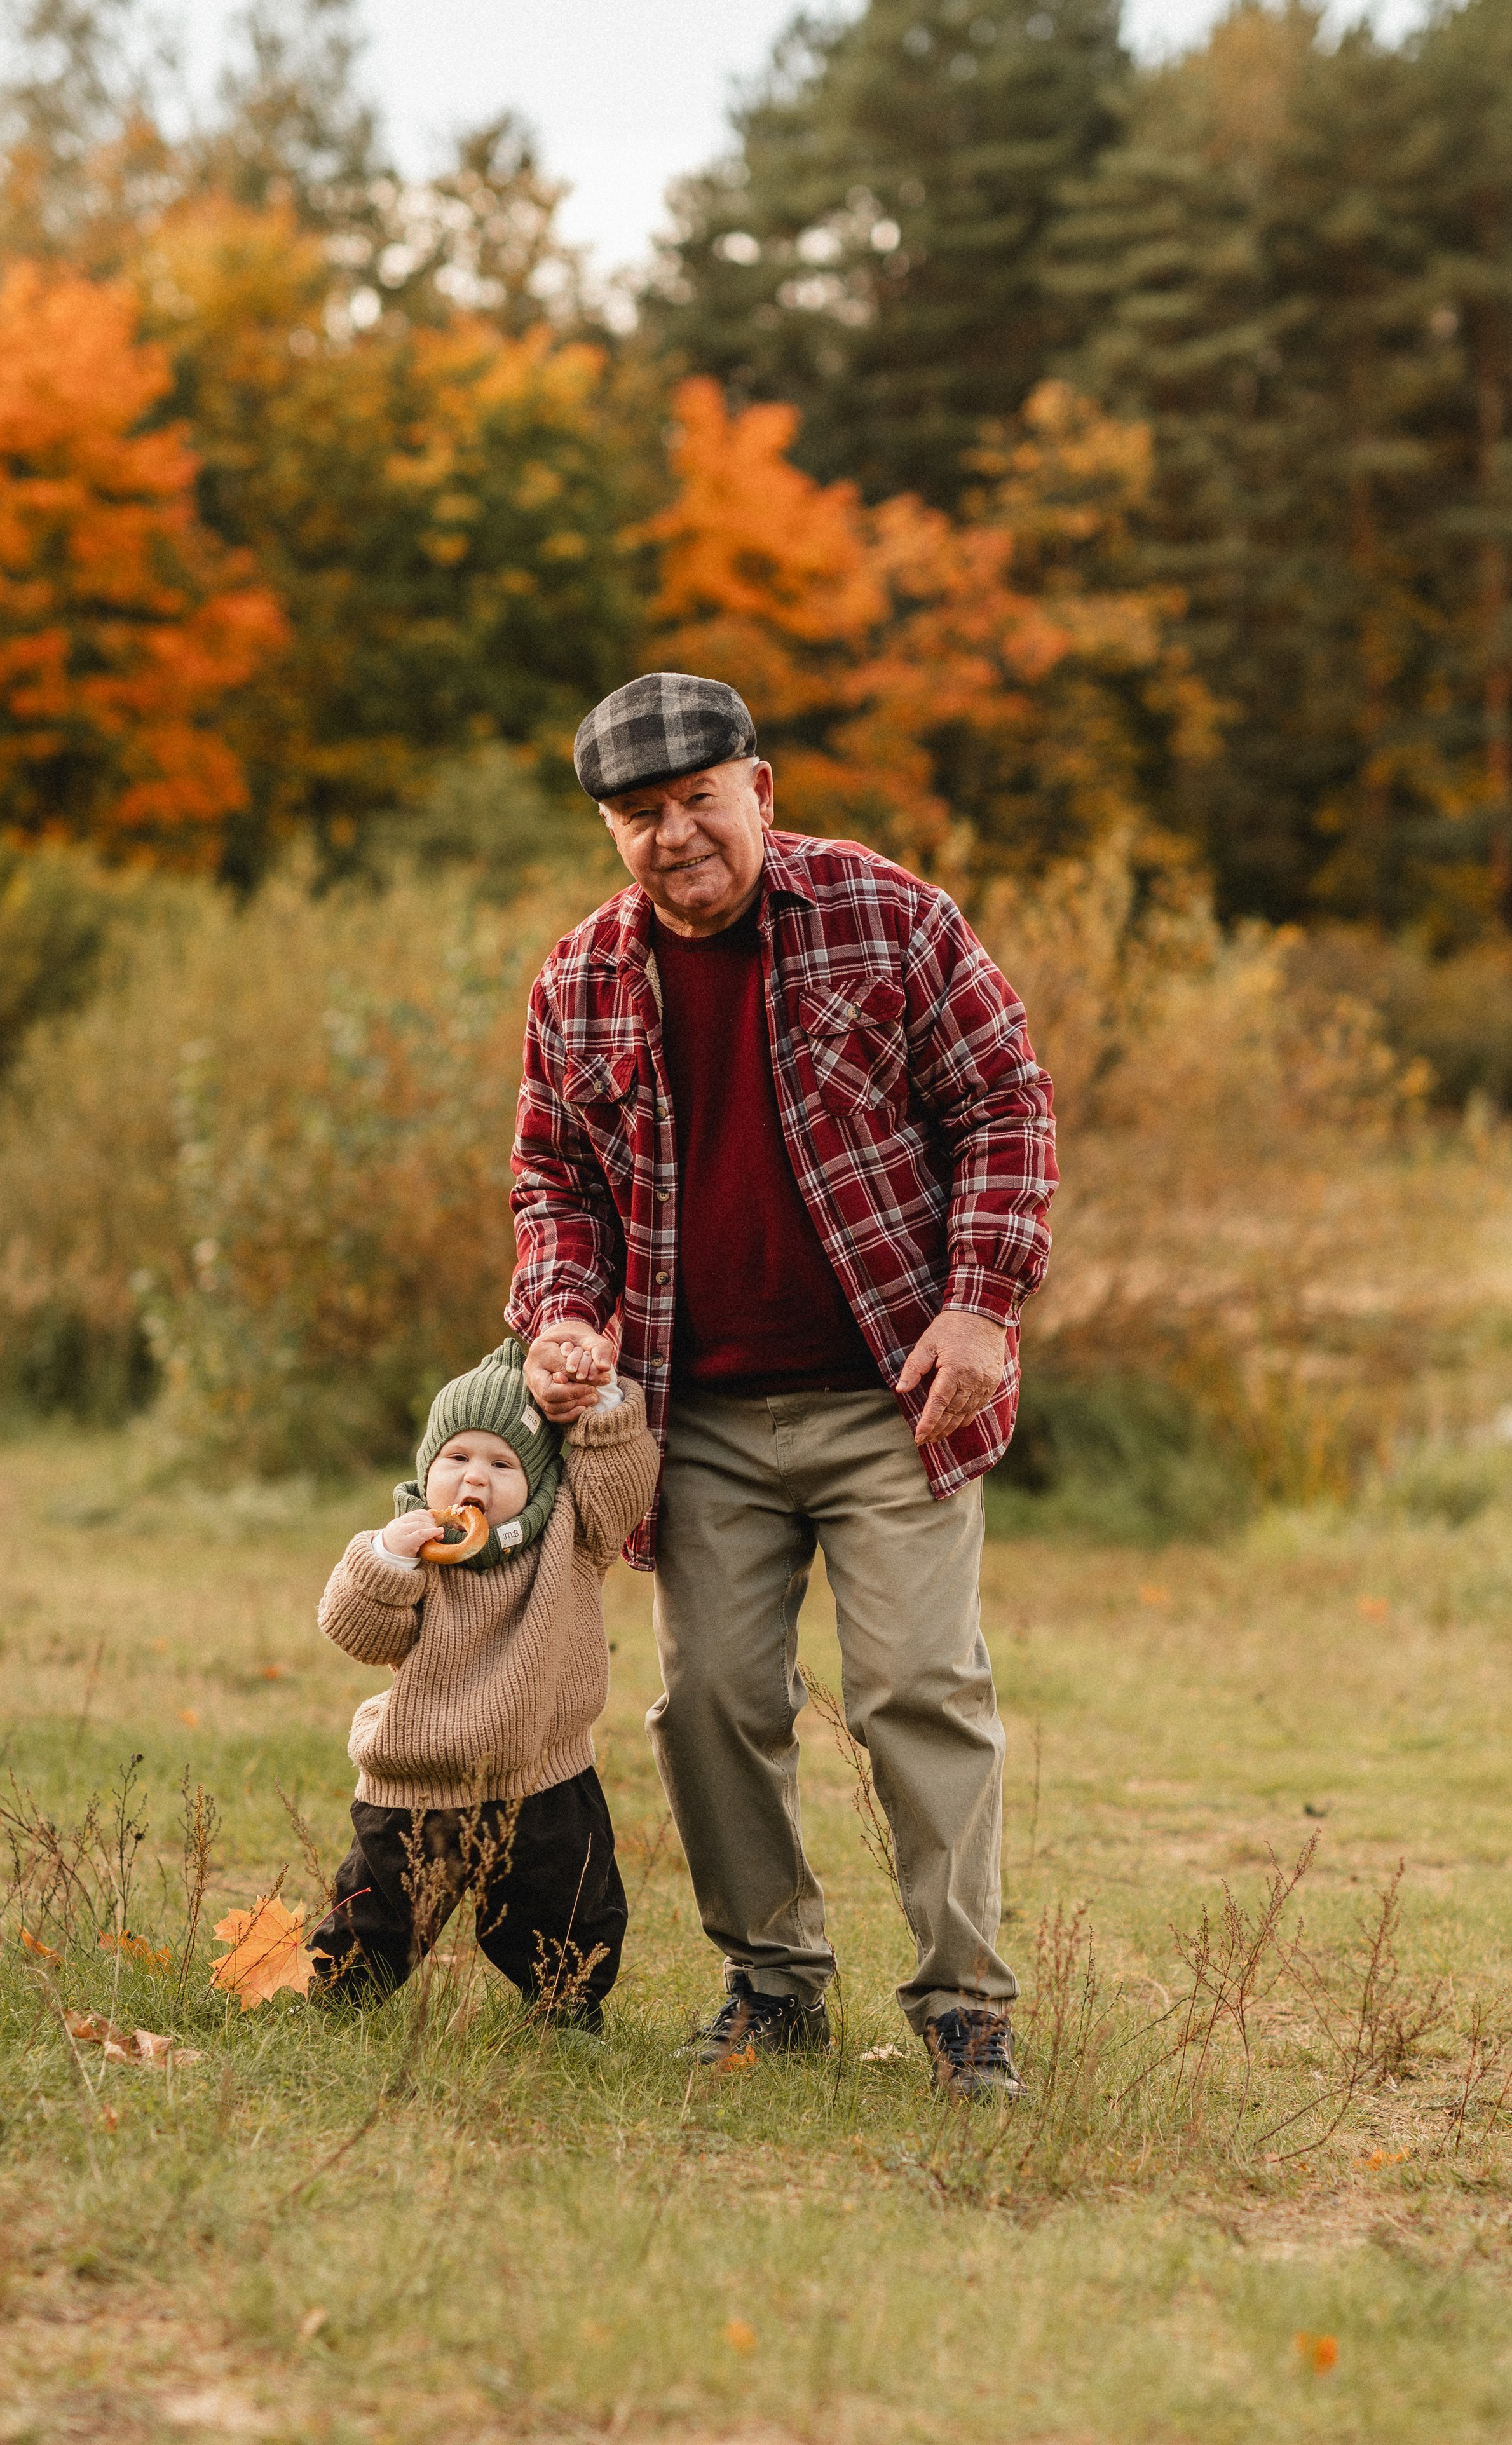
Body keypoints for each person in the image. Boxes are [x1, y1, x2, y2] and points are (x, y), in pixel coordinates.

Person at [506, 672, 1057, 2099]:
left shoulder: (890, 916)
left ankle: (963, 2007)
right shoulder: (578, 979)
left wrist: (980, 1304)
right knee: (708, 1704)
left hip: (894, 1393)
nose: (674, 833)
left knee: (918, 1689)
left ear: (759, 789)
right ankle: (772, 1981)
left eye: (699, 799)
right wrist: (561, 1318)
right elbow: (554, 1183)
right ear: (610, 830)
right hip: (694, 1416)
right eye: (640, 814)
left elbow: (1004, 1105)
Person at [310, 1337, 660, 2029]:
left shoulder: (572, 1535)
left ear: (539, 1478)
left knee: (569, 1910)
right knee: (378, 1914)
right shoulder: (415, 1548)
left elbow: (620, 1484)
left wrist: (602, 1403)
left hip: (544, 1773)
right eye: (457, 1458)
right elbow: (361, 1635)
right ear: (427, 1467)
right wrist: (385, 1560)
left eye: (503, 1464)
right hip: (419, 1778)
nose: (476, 1478)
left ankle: (566, 2015)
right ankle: (336, 2005)